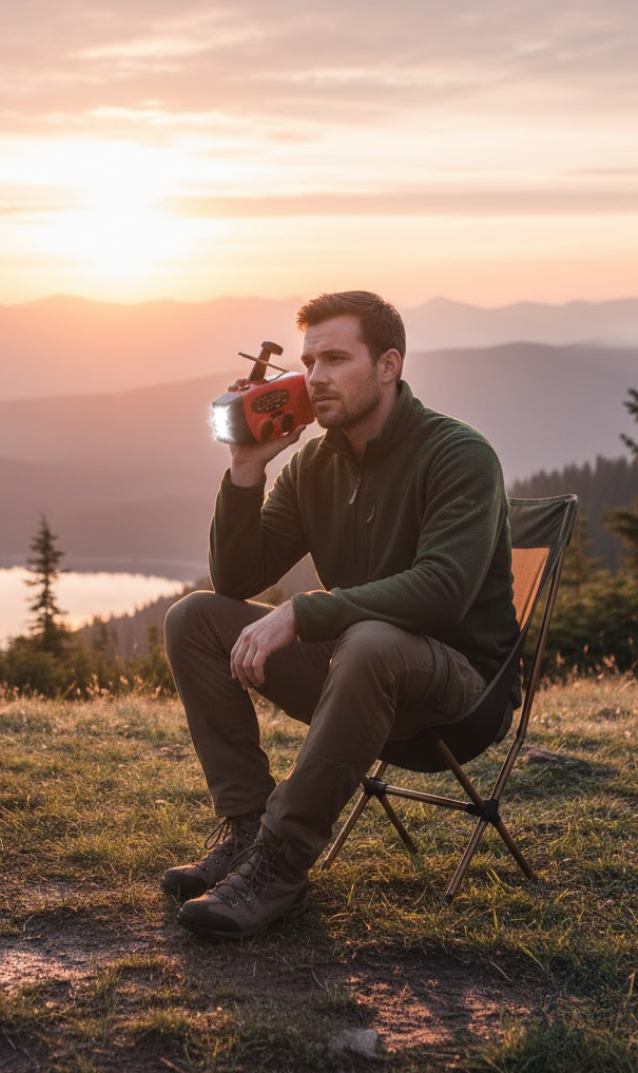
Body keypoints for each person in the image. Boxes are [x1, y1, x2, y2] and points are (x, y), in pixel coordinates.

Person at [163, 290, 518, 939]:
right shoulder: (314, 466)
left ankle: (279, 865)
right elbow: (237, 578)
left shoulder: (457, 455)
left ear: (389, 365)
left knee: (371, 641)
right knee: (195, 619)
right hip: (357, 681)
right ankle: (246, 831)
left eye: (334, 358)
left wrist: (303, 612)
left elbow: (442, 591)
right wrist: (245, 470)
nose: (315, 378)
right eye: (308, 361)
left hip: (460, 698)